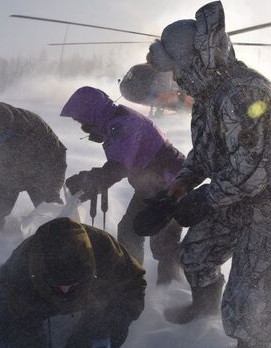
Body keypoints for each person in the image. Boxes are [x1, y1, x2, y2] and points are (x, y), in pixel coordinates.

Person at [146, 2, 271, 348]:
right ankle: (203, 312)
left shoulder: (244, 94)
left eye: (177, 68)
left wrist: (203, 200)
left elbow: (254, 172)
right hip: (236, 199)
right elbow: (205, 154)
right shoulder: (210, 98)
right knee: (195, 254)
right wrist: (177, 189)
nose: (175, 79)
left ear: (197, 59)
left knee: (246, 300)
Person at [60, 86, 185, 284]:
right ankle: (132, 278)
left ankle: (170, 291)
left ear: (92, 113)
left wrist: (88, 182)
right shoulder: (115, 123)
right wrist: (90, 181)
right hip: (154, 185)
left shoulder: (123, 125)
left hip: (170, 184)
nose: (82, 126)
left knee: (163, 240)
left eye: (82, 122)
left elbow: (117, 169)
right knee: (130, 230)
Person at [0, 217, 146, 348]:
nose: (65, 291)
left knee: (99, 326)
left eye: (73, 283)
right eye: (58, 284)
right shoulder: (21, 269)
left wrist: (111, 329)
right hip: (39, 300)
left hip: (94, 295)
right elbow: (1, 319)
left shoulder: (105, 251)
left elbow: (134, 287)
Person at [0, 102, 67, 241]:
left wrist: (53, 188)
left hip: (39, 173)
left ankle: (61, 243)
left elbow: (57, 156)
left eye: (2, 136)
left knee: (50, 212)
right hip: (4, 179)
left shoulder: (33, 125)